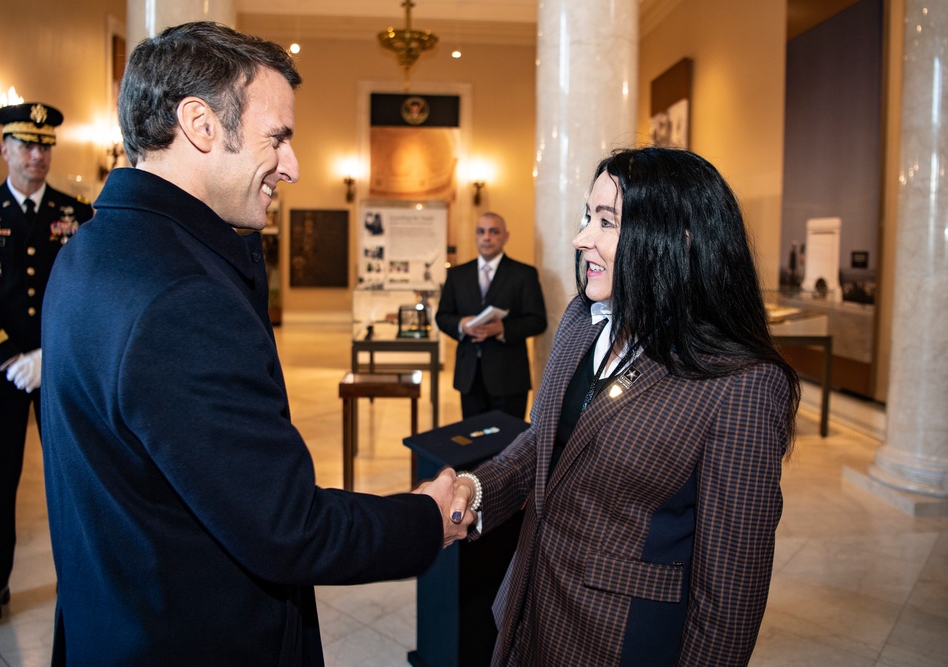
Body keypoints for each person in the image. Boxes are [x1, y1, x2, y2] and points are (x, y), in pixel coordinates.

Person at [39, 22, 470, 666]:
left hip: (115, 619)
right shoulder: (182, 297)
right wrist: (425, 519)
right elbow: (286, 527)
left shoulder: (90, 251)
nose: (292, 166)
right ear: (201, 124)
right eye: (278, 138)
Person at [449, 147, 801, 666]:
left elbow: (729, 598)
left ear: (676, 239)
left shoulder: (741, 384)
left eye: (607, 222)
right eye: (588, 217)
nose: (581, 237)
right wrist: (478, 488)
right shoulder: (582, 320)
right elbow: (546, 443)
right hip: (529, 610)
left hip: (618, 640)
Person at [0, 102, 92, 630]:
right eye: (27, 145)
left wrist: (47, 357)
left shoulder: (77, 216)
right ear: (3, 149)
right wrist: (10, 358)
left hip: (58, 373)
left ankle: (80, 581)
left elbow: (88, 295)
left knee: (72, 482)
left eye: (45, 145)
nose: (37, 155)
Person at [435, 212, 547, 420]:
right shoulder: (458, 275)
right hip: (469, 377)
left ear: (506, 237)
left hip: (509, 376)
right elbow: (442, 316)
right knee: (473, 442)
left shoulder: (524, 274)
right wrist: (462, 324)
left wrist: (503, 329)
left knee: (509, 444)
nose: (487, 237)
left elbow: (538, 321)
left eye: (494, 232)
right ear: (476, 237)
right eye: (481, 232)